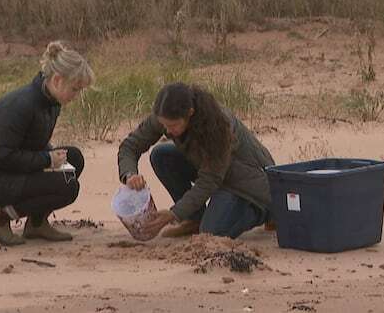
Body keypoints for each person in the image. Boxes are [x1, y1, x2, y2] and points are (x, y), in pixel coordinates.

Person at [0, 41, 94, 246]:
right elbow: (1, 155)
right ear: (58, 80)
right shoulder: (21, 104)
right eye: (75, 89)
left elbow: (32, 143)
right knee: (68, 187)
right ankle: (0, 218)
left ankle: (36, 223)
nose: (76, 96)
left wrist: (51, 156)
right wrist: (47, 160)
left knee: (74, 159)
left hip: (9, 170)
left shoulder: (51, 104)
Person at [118, 82, 275, 239]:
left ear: (190, 113)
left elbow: (209, 180)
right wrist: (129, 174)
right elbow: (130, 146)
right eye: (164, 124)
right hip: (216, 173)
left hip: (246, 184)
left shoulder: (219, 126)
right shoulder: (166, 115)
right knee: (161, 155)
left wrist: (174, 214)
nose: (167, 130)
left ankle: (268, 212)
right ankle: (194, 219)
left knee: (210, 233)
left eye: (172, 125)